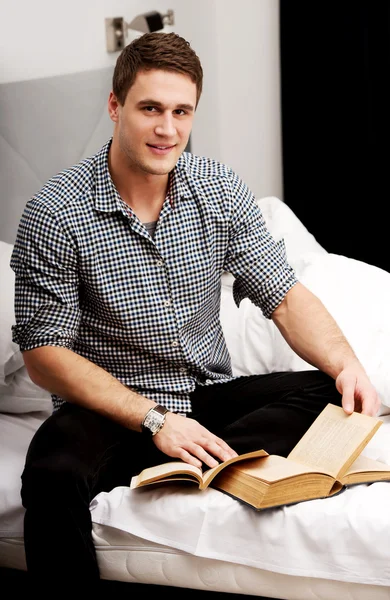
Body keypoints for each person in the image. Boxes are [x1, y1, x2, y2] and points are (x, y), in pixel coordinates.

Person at [10, 31, 379, 590]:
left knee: (330, 389)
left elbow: (283, 294)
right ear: (115, 107)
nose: (167, 129)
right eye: (151, 108)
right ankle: (182, 458)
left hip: (205, 399)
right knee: (50, 472)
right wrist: (154, 422)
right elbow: (42, 355)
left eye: (182, 111)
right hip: (109, 411)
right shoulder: (55, 213)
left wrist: (346, 362)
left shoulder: (219, 189)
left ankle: (199, 460)